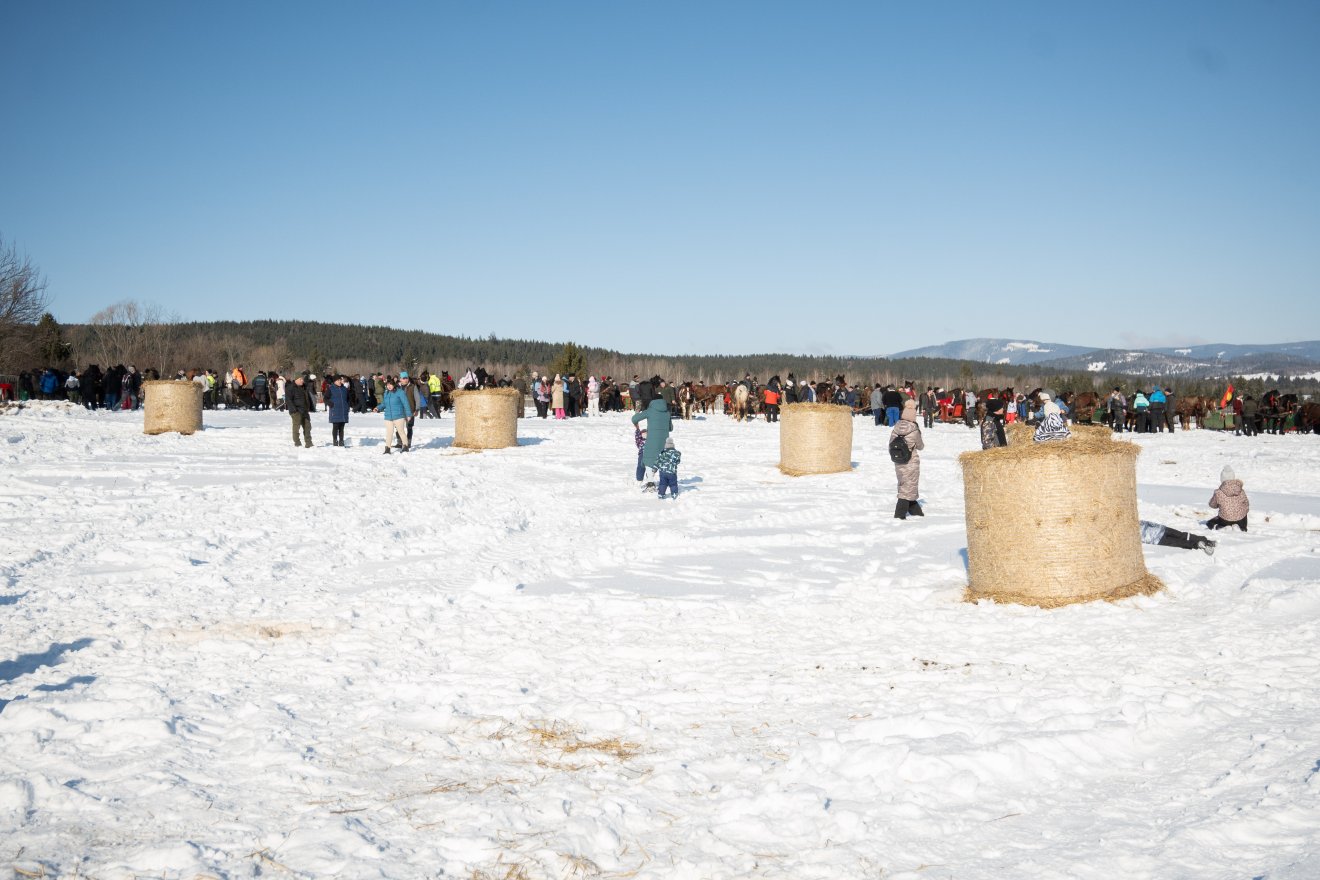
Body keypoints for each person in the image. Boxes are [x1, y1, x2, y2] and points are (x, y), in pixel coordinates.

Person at [631, 390, 672, 492]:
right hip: (664, 441)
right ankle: (660, 479)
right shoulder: (667, 412)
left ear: (652, 401)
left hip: (652, 440)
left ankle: (650, 483)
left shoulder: (650, 411)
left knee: (648, 460)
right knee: (661, 460)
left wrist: (636, 424)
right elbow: (670, 428)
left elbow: (634, 418)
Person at [890, 398, 924, 519]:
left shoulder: (896, 427)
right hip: (911, 461)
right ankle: (899, 515)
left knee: (905, 484)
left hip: (898, 461)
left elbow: (891, 443)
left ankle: (916, 511)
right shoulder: (914, 430)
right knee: (908, 486)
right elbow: (920, 446)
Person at [1207, 465, 1249, 531]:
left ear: (1222, 479)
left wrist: (1219, 504)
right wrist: (1242, 512)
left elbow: (1212, 505)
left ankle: (1221, 527)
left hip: (1225, 520)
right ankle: (1241, 528)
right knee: (1243, 516)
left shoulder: (1218, 492)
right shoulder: (1241, 490)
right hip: (1242, 520)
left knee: (1210, 523)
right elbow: (1246, 504)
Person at [376, 377, 411, 454]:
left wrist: (408, 414)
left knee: (401, 431)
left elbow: (406, 403)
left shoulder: (400, 392)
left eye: (390, 384)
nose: (389, 386)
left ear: (394, 385)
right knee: (389, 433)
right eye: (387, 385)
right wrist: (378, 408)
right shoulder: (386, 393)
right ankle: (387, 448)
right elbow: (384, 404)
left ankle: (405, 446)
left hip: (399, 416)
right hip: (388, 417)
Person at [1141, 520, 1215, 555]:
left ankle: (1205, 541)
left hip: (1161, 530)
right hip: (1157, 539)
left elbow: (1145, 522)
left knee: (1182, 536)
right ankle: (1198, 545)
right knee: (1180, 542)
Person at [285, 373, 316, 448]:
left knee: (307, 427)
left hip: (305, 410)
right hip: (296, 411)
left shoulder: (304, 387)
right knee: (296, 428)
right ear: (296, 379)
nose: (302, 381)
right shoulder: (290, 387)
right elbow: (288, 400)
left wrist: (309, 407)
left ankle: (309, 443)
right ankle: (297, 442)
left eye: (303, 379)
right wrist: (294, 410)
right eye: (301, 379)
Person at [327, 375, 351, 447]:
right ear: (334, 381)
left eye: (340, 380)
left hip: (343, 410)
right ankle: (335, 440)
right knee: (335, 426)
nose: (340, 381)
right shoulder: (331, 388)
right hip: (335, 410)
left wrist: (348, 405)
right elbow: (325, 398)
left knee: (342, 427)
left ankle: (341, 441)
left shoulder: (344, 389)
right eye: (338, 380)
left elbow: (348, 398)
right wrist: (330, 404)